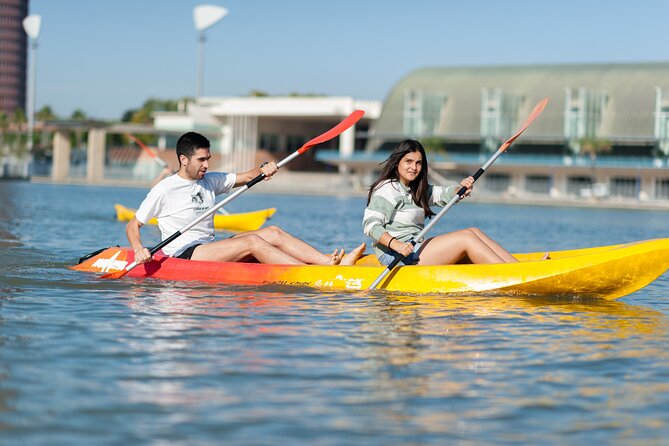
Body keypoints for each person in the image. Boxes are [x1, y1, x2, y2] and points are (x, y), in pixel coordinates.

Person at [127, 131, 365, 266]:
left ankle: (326, 262)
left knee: (272, 232)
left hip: (208, 248)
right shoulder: (165, 189)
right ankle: (312, 273)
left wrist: (265, 168)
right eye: (202, 160)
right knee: (252, 242)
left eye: (208, 158)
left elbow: (248, 176)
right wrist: (138, 249)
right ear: (184, 159)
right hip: (184, 254)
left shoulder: (209, 180)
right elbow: (133, 225)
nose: (207, 164)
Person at [363, 139, 522, 266]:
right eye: (408, 161)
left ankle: (518, 268)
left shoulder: (417, 189)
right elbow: (370, 225)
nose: (414, 167)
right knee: (466, 238)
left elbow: (443, 194)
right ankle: (514, 274)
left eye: (418, 163)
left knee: (473, 231)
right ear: (397, 162)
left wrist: (460, 189)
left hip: (414, 248)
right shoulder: (387, 189)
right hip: (395, 255)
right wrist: (397, 245)